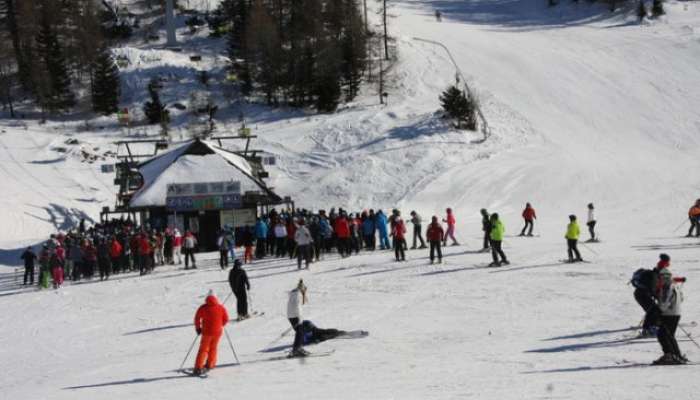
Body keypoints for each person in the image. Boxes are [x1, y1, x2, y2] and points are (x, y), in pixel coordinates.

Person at [652, 256, 687, 365]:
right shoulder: (674, 285)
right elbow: (681, 298)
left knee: (662, 334)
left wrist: (660, 309)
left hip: (669, 314)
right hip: (676, 312)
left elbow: (665, 301)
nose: (660, 279)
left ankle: (670, 355)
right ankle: (676, 355)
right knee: (669, 335)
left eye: (661, 277)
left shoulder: (667, 286)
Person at [192, 291, 230, 376]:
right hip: (217, 332)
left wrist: (198, 328)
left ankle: (198, 367)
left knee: (203, 349)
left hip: (206, 332)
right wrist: (220, 324)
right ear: (216, 298)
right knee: (213, 348)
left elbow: (197, 318)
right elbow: (226, 319)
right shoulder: (221, 307)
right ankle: (210, 364)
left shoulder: (203, 307)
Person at [287, 279, 309, 357]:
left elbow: (299, 304)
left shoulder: (294, 293)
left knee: (300, 332)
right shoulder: (298, 294)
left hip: (291, 315)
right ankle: (296, 349)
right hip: (295, 315)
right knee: (300, 332)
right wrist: (299, 317)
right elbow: (298, 306)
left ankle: (298, 348)